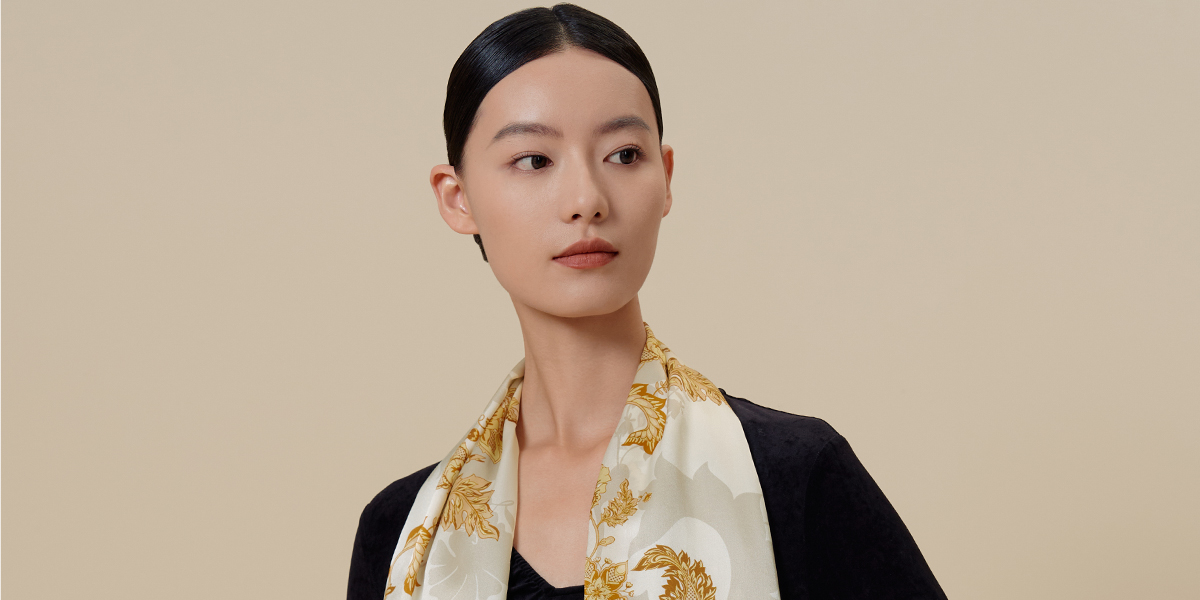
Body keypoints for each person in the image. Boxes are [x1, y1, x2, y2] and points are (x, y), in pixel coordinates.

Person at [348, 5, 945, 599]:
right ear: (457, 199)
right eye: (534, 160)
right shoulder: (402, 532)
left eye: (624, 155)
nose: (586, 199)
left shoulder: (793, 475)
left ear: (665, 178)